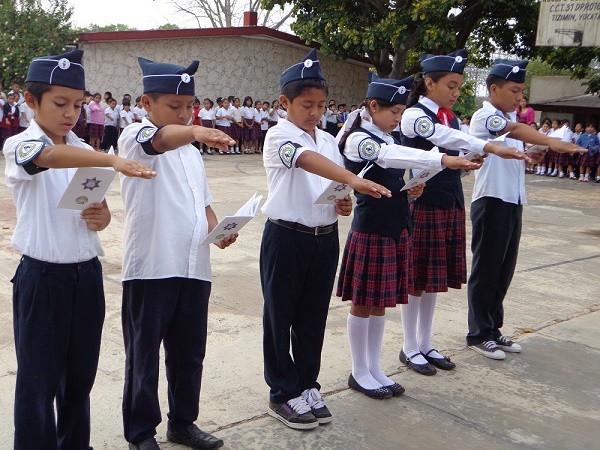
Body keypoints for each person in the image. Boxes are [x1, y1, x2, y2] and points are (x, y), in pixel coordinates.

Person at [4, 49, 155, 450]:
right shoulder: (22, 145)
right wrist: (110, 159)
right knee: (38, 381)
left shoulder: (82, 150)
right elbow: (46, 157)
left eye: (77, 104)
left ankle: (75, 444)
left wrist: (101, 217)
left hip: (85, 274)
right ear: (31, 101)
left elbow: (97, 215)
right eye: (59, 103)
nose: (70, 113)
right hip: (42, 278)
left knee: (80, 376)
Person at [261, 49, 392, 431]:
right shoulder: (278, 135)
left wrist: (343, 199)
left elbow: (331, 182)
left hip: (323, 237)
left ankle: (306, 384)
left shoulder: (328, 139)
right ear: (284, 103)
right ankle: (282, 393)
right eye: (306, 105)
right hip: (287, 237)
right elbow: (302, 160)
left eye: (320, 105)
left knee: (312, 317)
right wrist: (352, 179)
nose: (316, 113)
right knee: (279, 317)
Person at [336, 75, 480, 398]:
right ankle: (359, 371)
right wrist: (442, 159)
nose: (398, 120)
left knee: (380, 304)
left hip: (393, 227)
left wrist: (410, 193)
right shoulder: (359, 139)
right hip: (372, 230)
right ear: (373, 107)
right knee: (363, 303)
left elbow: (390, 173)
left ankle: (374, 368)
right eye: (395, 113)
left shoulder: (384, 135)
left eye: (401, 114)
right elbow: (388, 159)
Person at [118, 57, 236, 450]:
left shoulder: (191, 151)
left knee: (189, 355)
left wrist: (218, 231)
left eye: (190, 106)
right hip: (152, 265)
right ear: (146, 103)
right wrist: (196, 130)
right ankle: (140, 433)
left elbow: (203, 203)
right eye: (174, 106)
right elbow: (159, 140)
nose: (185, 114)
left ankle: (182, 423)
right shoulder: (134, 135)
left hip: (192, 264)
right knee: (144, 355)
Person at [399, 49, 526, 376]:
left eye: (459, 87)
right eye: (451, 86)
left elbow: (456, 151)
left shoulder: (450, 116)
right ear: (429, 83)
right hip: (422, 202)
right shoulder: (416, 115)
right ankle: (409, 346)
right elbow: (443, 139)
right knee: (416, 277)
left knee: (433, 279)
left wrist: (470, 163)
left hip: (448, 199)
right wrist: (486, 146)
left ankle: (425, 343)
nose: (457, 93)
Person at [467, 59, 583, 359]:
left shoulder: (507, 120)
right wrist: (558, 144)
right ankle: (479, 333)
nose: (520, 98)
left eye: (522, 91)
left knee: (504, 269)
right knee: (486, 268)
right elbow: (516, 130)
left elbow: (516, 141)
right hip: (491, 200)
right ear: (494, 89)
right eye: (514, 90)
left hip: (512, 200)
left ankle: (493, 329)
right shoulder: (485, 116)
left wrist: (532, 152)